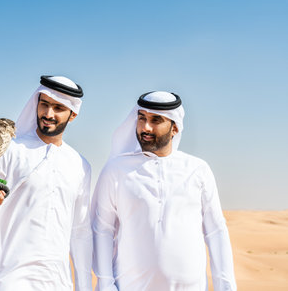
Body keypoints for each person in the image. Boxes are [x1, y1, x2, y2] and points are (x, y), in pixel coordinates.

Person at [0, 75, 92, 291]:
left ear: (72, 114)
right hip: (9, 280)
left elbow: (80, 231)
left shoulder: (80, 165)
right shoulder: (9, 150)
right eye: (44, 104)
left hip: (58, 282)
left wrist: (83, 286)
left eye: (58, 108)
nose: (48, 114)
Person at [91, 91, 236, 291]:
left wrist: (226, 287)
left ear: (175, 127)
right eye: (142, 118)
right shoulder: (116, 170)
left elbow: (216, 231)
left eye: (155, 120)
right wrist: (105, 284)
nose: (145, 127)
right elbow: (102, 230)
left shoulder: (197, 170)